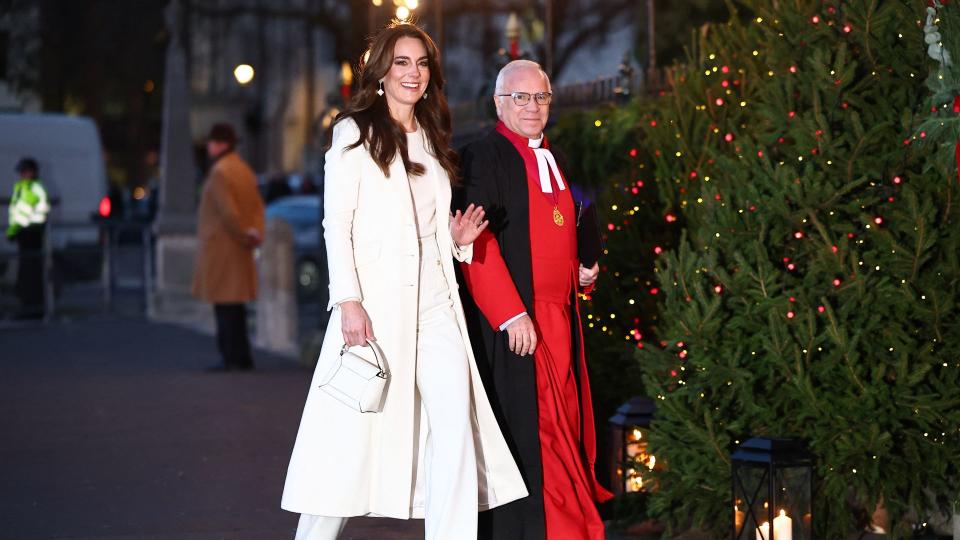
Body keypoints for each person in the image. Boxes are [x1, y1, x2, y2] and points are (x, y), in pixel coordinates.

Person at [281, 23, 527, 540]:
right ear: (381, 72)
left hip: (437, 306)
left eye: (421, 64)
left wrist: (459, 240)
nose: (413, 73)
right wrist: (347, 300)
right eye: (402, 63)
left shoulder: (433, 135)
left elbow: (428, 229)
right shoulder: (354, 132)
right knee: (351, 437)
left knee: (456, 431)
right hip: (375, 308)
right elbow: (336, 222)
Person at [456, 59, 614, 540]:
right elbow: (474, 241)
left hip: (560, 321)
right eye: (520, 97)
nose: (531, 107)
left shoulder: (557, 157)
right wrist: (509, 314)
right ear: (498, 103)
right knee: (533, 438)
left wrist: (583, 273)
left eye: (540, 97)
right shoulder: (482, 157)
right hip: (518, 327)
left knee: (563, 429)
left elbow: (566, 227)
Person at [191, 123, 265, 371]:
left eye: (212, 142)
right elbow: (256, 208)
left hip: (223, 248)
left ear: (221, 144)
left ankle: (231, 357)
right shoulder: (243, 169)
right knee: (236, 308)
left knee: (224, 308)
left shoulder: (220, 172)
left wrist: (244, 234)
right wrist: (255, 234)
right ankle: (241, 356)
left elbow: (228, 214)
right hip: (240, 249)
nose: (209, 146)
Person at [6, 157, 50, 319]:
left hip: (31, 238)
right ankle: (30, 308)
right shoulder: (28, 188)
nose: (22, 175)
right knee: (28, 274)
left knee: (31, 274)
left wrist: (15, 232)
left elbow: (27, 214)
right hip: (27, 238)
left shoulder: (33, 189)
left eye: (24, 172)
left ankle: (33, 309)